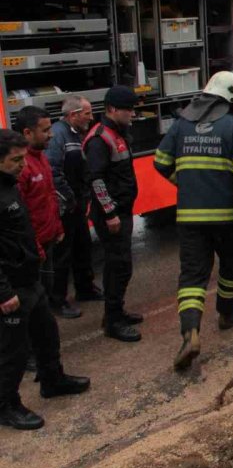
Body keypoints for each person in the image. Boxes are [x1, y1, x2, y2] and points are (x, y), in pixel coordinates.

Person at [154, 72, 233, 370]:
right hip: (227, 218)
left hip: (190, 217)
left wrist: (186, 183)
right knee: (231, 268)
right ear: (231, 98)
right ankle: (228, 314)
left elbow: (160, 162)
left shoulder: (181, 125)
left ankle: (190, 332)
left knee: (192, 276)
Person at [0, 129, 90, 431]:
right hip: (11, 287)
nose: (22, 165)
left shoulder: (10, 186)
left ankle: (52, 380)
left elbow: (22, 228)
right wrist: (3, 293)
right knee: (13, 352)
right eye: (15, 160)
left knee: (47, 334)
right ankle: (7, 406)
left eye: (23, 158)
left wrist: (37, 251)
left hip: (29, 277)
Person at [84, 86, 143, 342]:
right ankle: (113, 321)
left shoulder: (118, 132)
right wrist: (110, 213)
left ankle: (115, 313)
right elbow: (96, 180)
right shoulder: (100, 138)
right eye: (127, 109)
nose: (132, 113)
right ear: (111, 109)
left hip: (122, 211)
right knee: (117, 266)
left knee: (122, 266)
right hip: (113, 215)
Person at [47, 96, 103, 319]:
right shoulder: (58, 136)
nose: (91, 118)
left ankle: (85, 288)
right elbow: (53, 172)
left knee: (82, 246)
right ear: (73, 115)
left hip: (77, 203)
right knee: (62, 255)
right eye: (87, 113)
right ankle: (57, 300)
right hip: (67, 206)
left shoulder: (74, 134)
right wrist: (70, 199)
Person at [12, 108, 65, 311]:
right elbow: (21, 216)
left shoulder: (40, 156)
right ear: (27, 133)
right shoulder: (23, 167)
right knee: (35, 298)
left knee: (45, 289)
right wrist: (36, 247)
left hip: (46, 240)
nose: (50, 134)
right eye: (45, 130)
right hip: (33, 249)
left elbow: (49, 195)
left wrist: (57, 226)